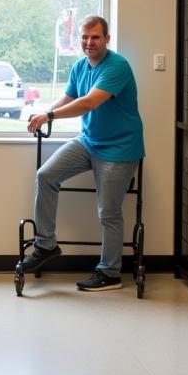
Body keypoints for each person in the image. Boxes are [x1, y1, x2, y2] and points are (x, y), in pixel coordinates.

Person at [21, 15, 144, 292]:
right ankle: (46, 245)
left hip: (119, 149)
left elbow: (88, 103)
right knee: (46, 175)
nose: (89, 43)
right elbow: (70, 96)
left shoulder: (117, 66)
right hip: (89, 142)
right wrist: (44, 114)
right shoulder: (80, 66)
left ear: (107, 39)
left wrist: (49, 115)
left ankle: (110, 273)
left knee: (108, 212)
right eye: (85, 38)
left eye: (96, 37)